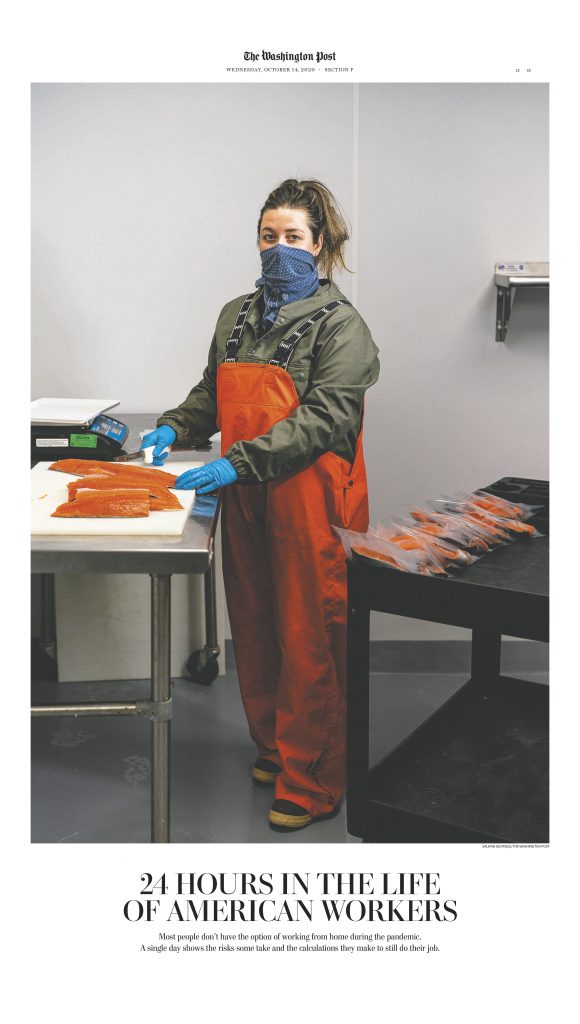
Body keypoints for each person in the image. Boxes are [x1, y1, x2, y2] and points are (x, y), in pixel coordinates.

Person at [142, 178, 380, 832]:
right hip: (247, 498)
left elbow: (325, 419)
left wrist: (234, 463)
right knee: (253, 625)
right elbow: (210, 393)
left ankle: (314, 779)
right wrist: (175, 426)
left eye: (294, 237)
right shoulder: (235, 316)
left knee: (309, 634)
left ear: (320, 244)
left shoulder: (343, 328)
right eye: (269, 235)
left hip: (311, 504)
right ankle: (277, 748)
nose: (280, 248)